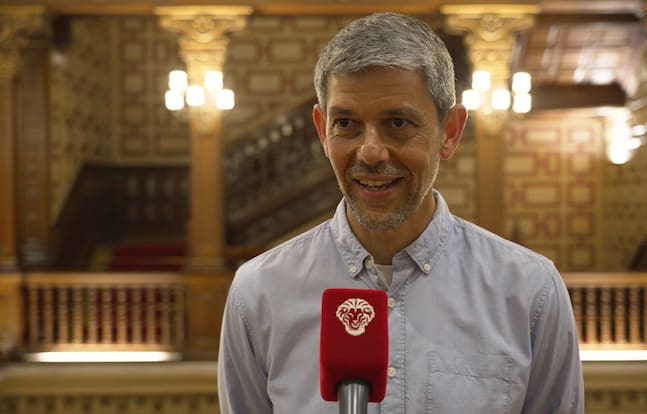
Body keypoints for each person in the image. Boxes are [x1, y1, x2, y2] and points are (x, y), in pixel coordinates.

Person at [218, 12, 584, 414]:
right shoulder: (259, 293)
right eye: (346, 123)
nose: (371, 152)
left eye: (397, 122)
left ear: (450, 132)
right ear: (322, 131)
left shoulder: (530, 292)